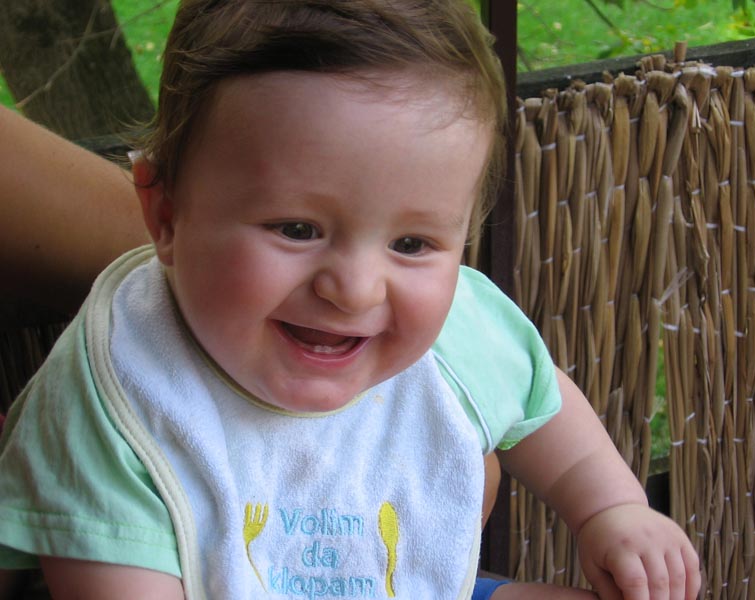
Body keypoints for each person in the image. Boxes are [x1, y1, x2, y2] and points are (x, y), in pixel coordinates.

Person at [0, 1, 701, 599]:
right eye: (296, 229)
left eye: (413, 243)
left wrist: (611, 510)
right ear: (165, 214)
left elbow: (541, 403)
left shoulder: (458, 336)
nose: (356, 288)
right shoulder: (122, 393)